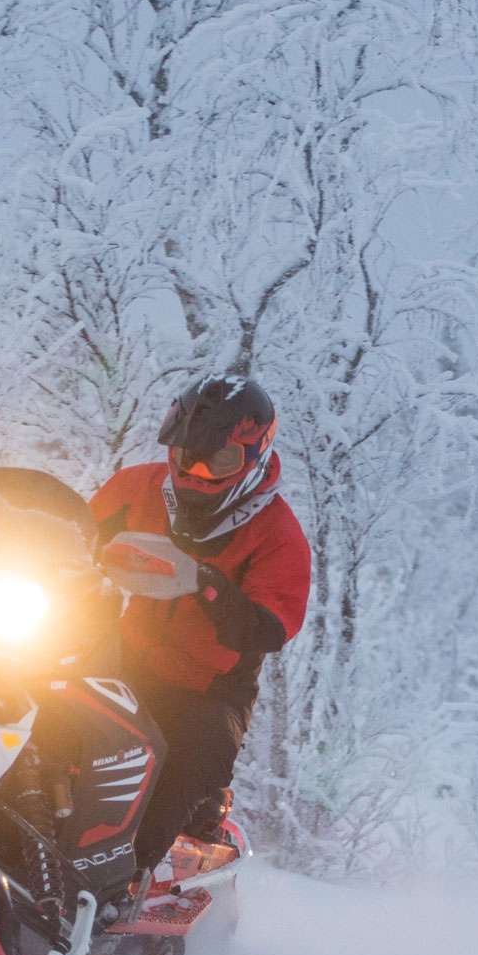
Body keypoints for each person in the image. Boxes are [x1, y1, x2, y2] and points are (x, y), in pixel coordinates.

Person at [87, 376, 312, 882]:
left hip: (209, 692)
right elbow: (72, 533)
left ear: (254, 458)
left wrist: (203, 582)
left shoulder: (277, 533)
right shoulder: (135, 488)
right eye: (187, 454)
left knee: (189, 755)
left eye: (218, 461)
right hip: (119, 657)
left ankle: (119, 885)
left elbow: (267, 629)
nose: (195, 472)